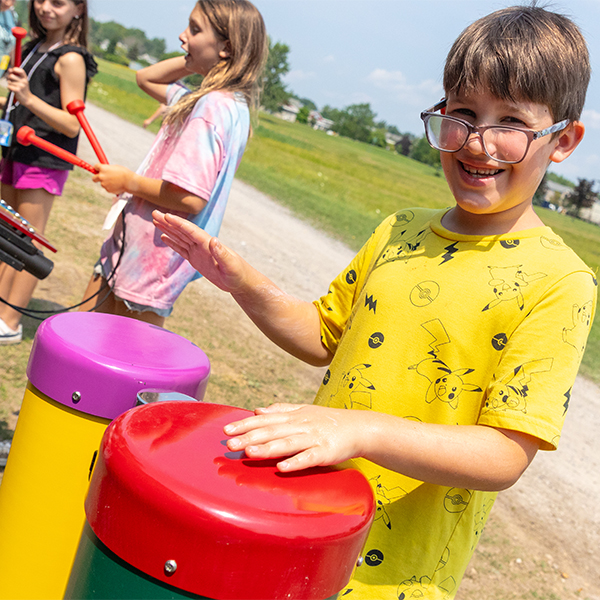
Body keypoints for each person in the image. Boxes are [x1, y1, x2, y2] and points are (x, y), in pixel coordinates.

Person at [153, 5, 597, 599]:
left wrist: (359, 430)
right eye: (462, 113)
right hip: (305, 519)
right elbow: (320, 337)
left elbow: (505, 452)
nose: (477, 142)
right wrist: (244, 284)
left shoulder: (559, 281)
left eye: (510, 121)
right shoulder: (399, 229)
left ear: (563, 140)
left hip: (394, 578)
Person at [78, 0, 267, 328]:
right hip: (143, 253)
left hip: (149, 262)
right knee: (87, 337)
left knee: (103, 352)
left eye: (194, 29)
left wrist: (128, 181)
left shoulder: (212, 107)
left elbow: (190, 197)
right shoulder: (225, 104)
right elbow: (145, 77)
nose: (182, 36)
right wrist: (195, 60)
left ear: (226, 46)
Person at [0, 0, 97, 344]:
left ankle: (10, 321)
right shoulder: (33, 47)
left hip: (44, 159)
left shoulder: (71, 59)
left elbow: (72, 125)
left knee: (27, 241)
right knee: (6, 237)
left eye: (58, 3)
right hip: (14, 150)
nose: (45, 8)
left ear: (78, 10)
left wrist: (25, 97)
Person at [0, 0, 17, 80]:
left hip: (3, 63)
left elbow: (13, 43)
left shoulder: (12, 15)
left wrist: (15, 67)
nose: (8, 3)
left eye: (13, 0)